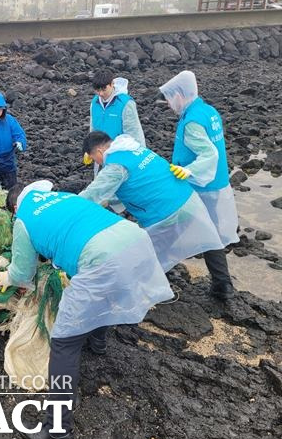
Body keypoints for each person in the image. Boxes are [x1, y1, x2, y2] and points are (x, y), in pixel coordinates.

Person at [0, 181, 173, 439]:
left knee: (64, 344)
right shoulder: (65, 198)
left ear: (15, 208)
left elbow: (23, 273)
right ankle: (97, 343)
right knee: (103, 295)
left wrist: (7, 276)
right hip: (136, 241)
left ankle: (57, 431)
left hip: (102, 258)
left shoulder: (24, 219)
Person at [80, 132, 224, 272]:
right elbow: (138, 183)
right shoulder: (133, 148)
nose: (97, 163)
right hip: (189, 200)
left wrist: (67, 205)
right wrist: (108, 201)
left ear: (99, 151)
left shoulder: (115, 166)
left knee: (143, 259)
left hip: (166, 213)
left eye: (94, 159)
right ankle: (223, 286)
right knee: (209, 241)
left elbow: (93, 193)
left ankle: (151, 292)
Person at [160, 70, 239, 300]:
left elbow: (209, 154)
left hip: (201, 187)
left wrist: (189, 170)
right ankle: (223, 286)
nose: (168, 103)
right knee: (209, 234)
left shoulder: (192, 121)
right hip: (217, 184)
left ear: (181, 95)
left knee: (172, 227)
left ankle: (152, 275)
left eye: (170, 97)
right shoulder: (208, 111)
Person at [85, 69, 145, 169]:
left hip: (121, 156)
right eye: (97, 90)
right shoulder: (94, 103)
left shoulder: (125, 103)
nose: (100, 94)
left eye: (104, 89)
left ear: (112, 84)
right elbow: (93, 129)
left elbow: (134, 133)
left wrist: (139, 159)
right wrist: (90, 150)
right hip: (100, 155)